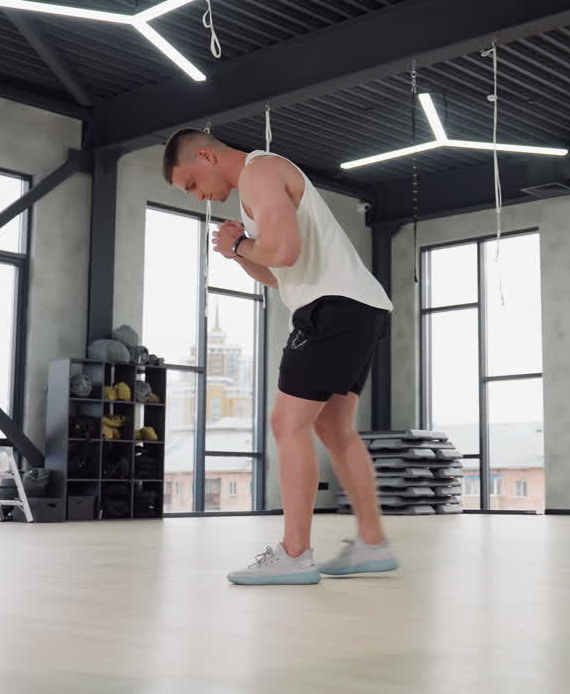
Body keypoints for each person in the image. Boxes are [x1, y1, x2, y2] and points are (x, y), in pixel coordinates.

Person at [163, 129, 398, 585]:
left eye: (191, 184)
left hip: (334, 307)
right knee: (332, 426)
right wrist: (239, 254)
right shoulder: (257, 185)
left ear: (206, 155)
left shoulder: (260, 172)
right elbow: (281, 275)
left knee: (287, 424)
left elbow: (284, 253)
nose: (198, 197)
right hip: (357, 305)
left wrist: (237, 246)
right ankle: (372, 544)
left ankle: (295, 553)